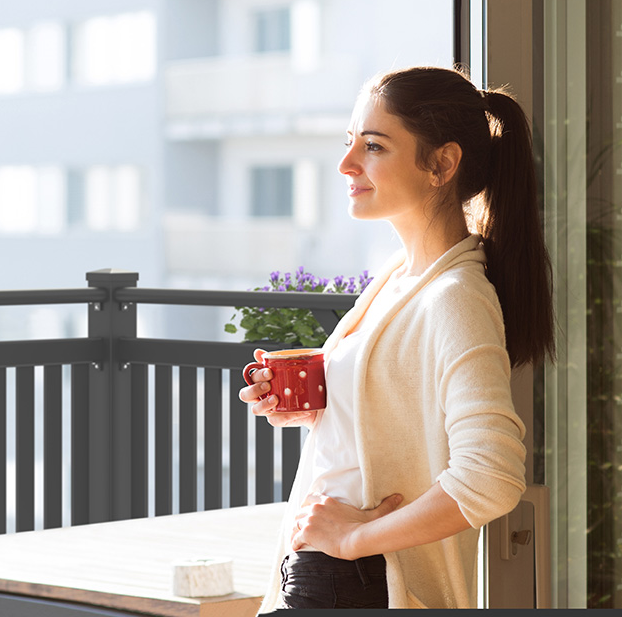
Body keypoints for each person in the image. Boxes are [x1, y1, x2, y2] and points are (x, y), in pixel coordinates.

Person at [238, 65, 555, 610]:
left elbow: (491, 478)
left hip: (358, 581)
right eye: (349, 142)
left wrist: (352, 537)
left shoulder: (454, 296)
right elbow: (398, 414)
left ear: (442, 164)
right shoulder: (400, 278)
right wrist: (317, 403)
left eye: (375, 146)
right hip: (330, 570)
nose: (346, 163)